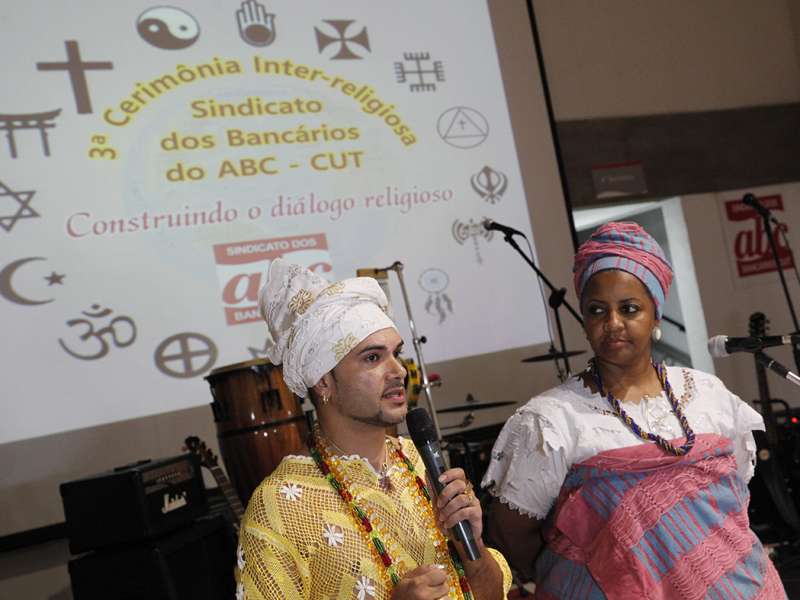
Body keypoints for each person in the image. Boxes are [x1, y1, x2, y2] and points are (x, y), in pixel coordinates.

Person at [483, 222, 787, 599]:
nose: (612, 324)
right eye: (597, 310)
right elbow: (511, 536)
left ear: (655, 316)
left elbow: (732, 502)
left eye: (629, 309)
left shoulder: (707, 395)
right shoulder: (551, 420)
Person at [235, 259, 511, 599]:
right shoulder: (280, 506)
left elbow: (491, 594)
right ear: (323, 381)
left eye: (396, 354)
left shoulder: (419, 461)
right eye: (372, 358)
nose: (398, 370)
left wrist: (475, 548)